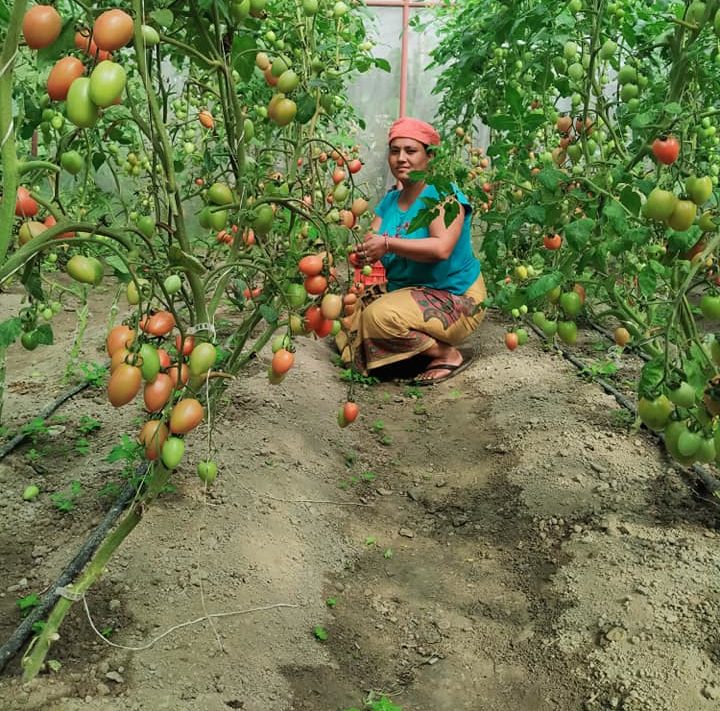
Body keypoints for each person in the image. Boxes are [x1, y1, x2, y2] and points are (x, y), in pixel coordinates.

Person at [338, 116, 486, 385]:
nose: (401, 158)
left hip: (454, 295)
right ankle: (413, 355)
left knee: (379, 318)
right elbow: (373, 239)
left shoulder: (443, 194)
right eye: (395, 151)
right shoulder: (391, 200)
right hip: (410, 294)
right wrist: (365, 253)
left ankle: (446, 353)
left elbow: (441, 248)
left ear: (429, 157)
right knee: (346, 319)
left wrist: (386, 244)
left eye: (411, 151)